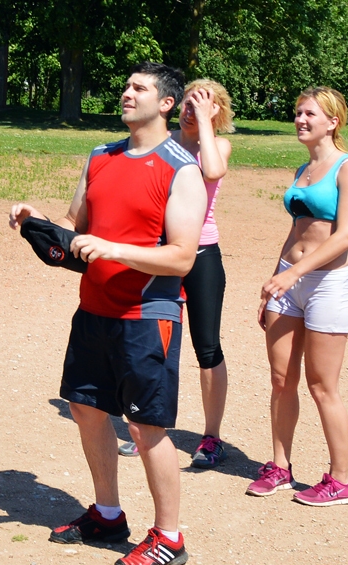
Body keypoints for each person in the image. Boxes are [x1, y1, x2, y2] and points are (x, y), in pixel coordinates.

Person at [10, 62, 207, 565]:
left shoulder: (181, 169)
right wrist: (38, 224)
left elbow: (183, 257)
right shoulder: (100, 157)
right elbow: (78, 231)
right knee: (87, 409)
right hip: (93, 310)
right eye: (125, 85)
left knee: (146, 428)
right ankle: (108, 514)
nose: (126, 93)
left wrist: (114, 249)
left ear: (165, 104)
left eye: (138, 88)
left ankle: (169, 535)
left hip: (147, 315)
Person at [246, 87, 348, 506]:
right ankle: (280, 466)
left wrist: (296, 272)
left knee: (322, 385)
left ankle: (341, 480)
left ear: (332, 122)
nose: (300, 119)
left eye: (309, 114)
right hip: (287, 283)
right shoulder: (303, 169)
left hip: (326, 286)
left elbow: (346, 235)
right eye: (298, 113)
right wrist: (275, 279)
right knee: (281, 381)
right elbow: (297, 230)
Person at [119, 79, 234, 468]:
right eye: (188, 102)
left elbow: (213, 172)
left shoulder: (215, 146)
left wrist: (204, 121)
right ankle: (151, 428)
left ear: (217, 111)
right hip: (160, 254)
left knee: (206, 348)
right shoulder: (163, 145)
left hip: (201, 254)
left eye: (202, 104)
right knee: (153, 341)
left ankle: (211, 437)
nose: (191, 108)